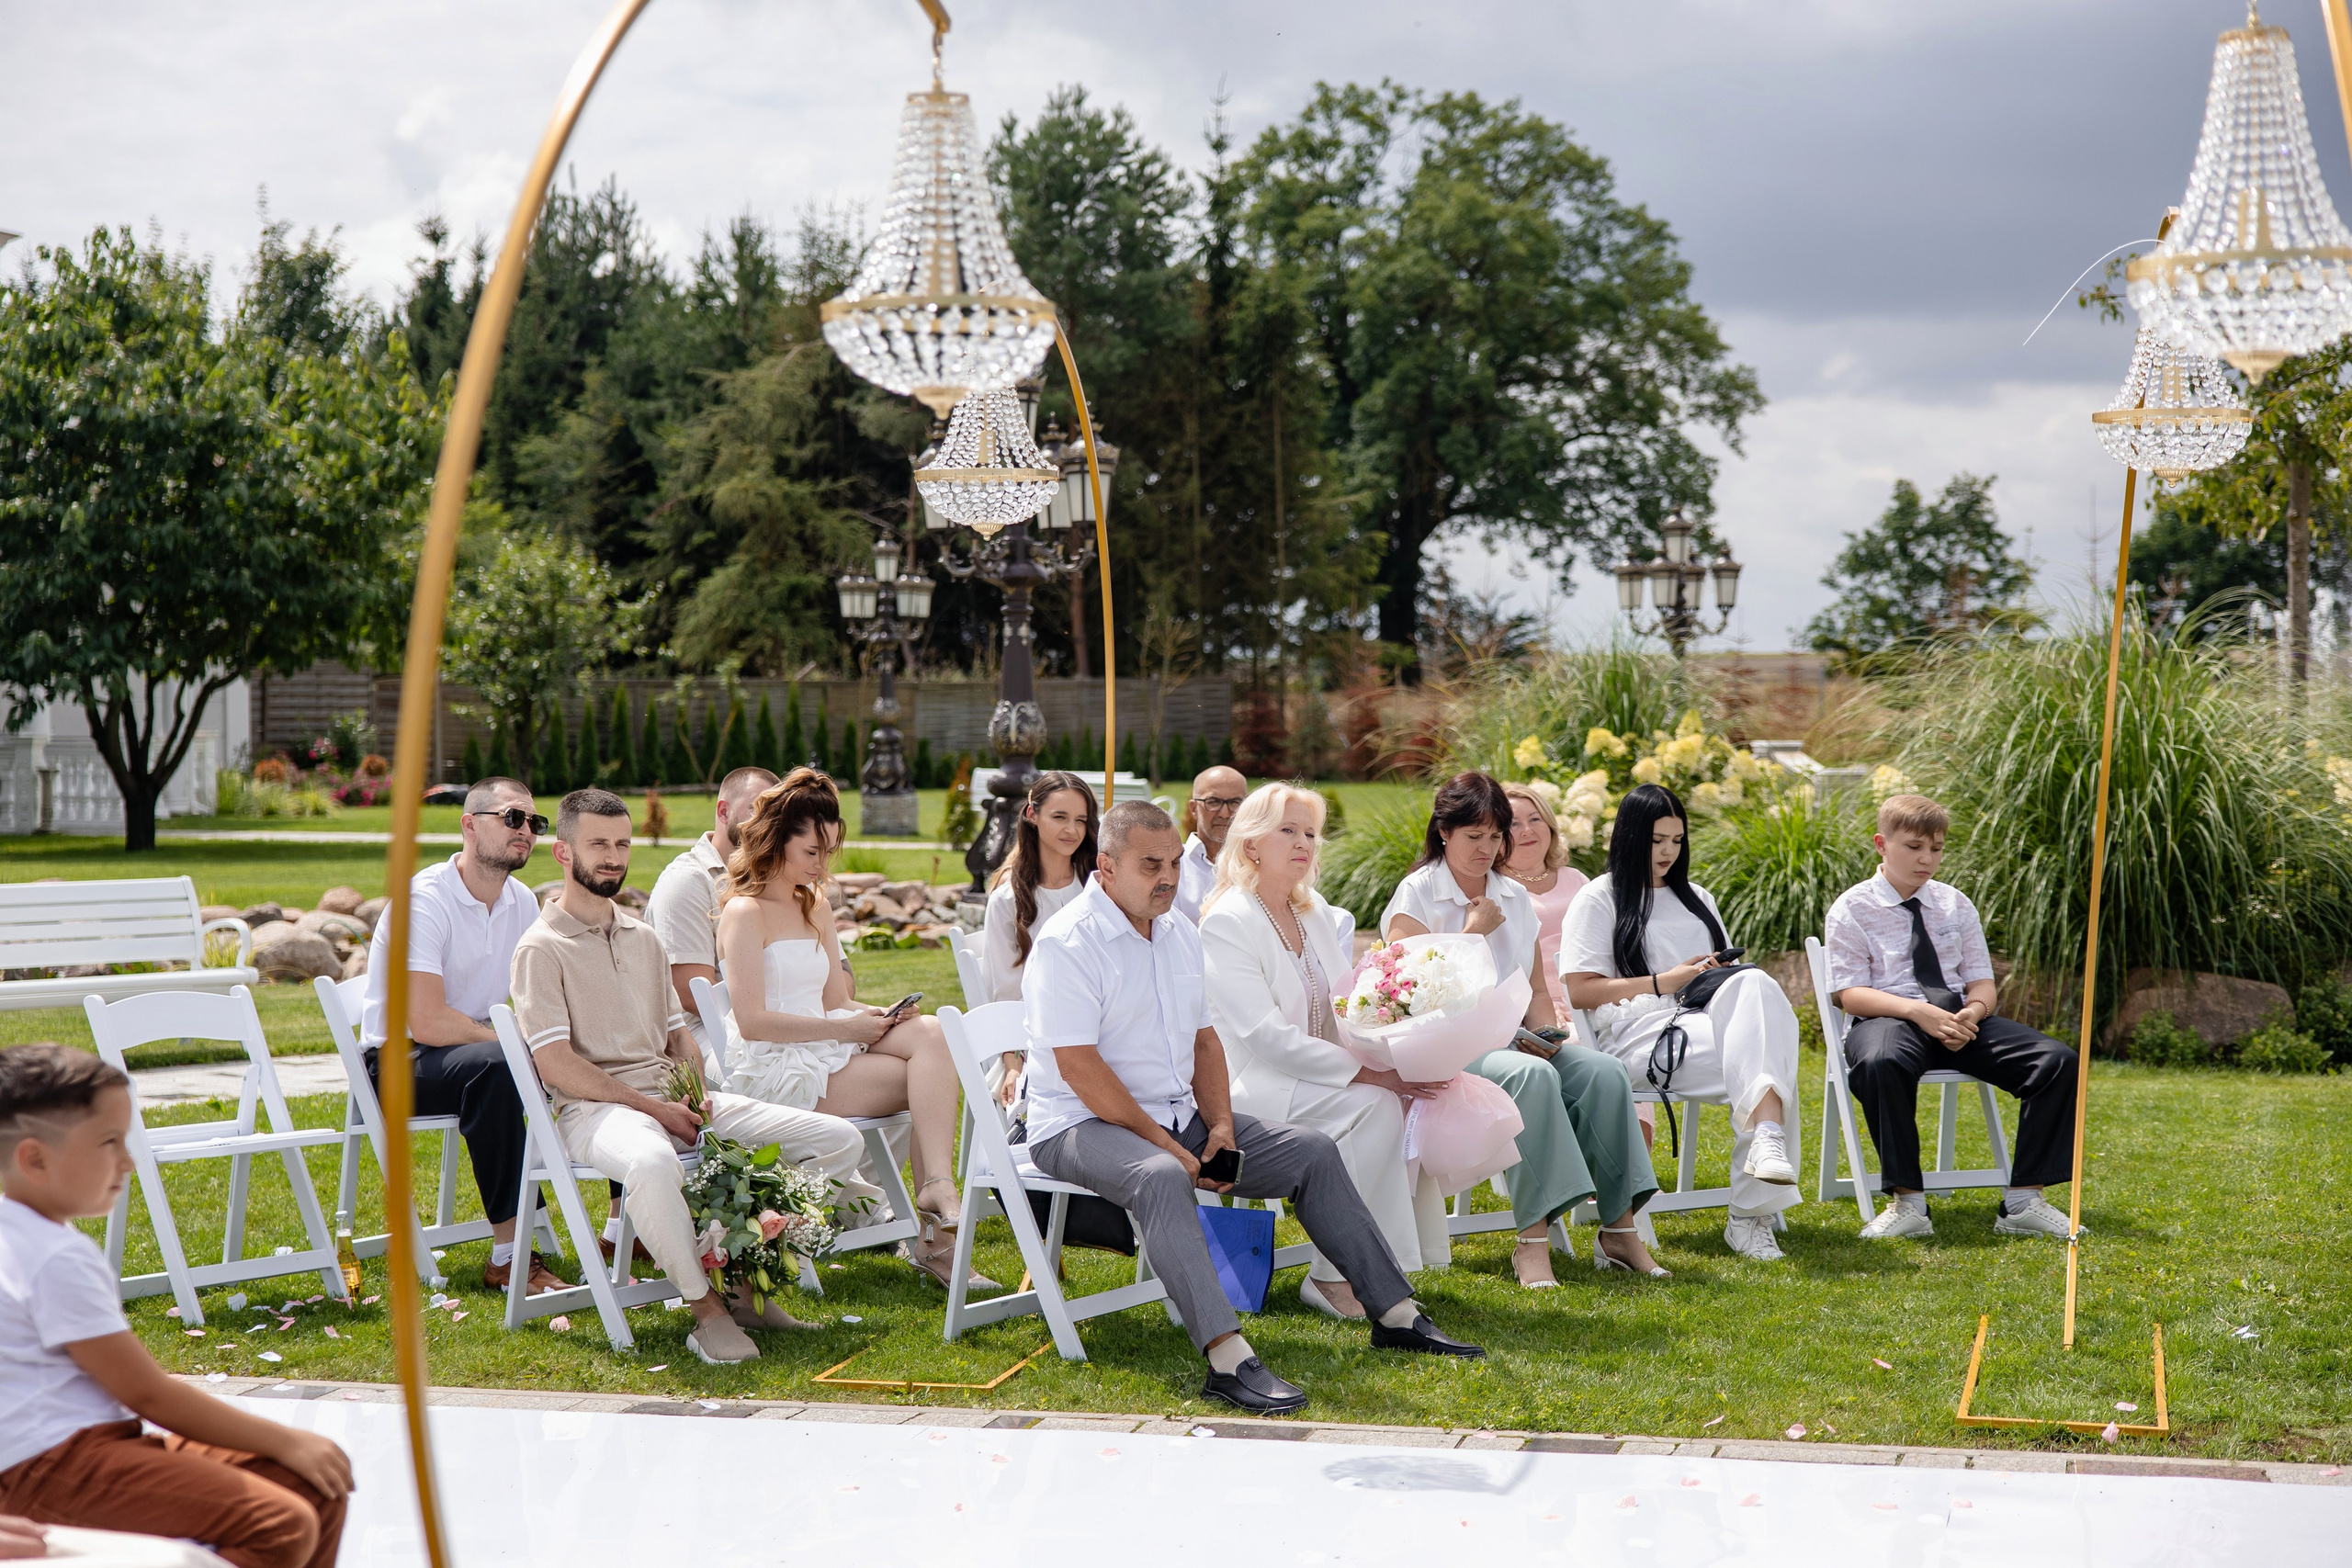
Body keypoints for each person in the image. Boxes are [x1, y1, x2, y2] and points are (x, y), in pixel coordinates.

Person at [1024, 801, 1485, 1413]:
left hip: (1176, 1117)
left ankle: (1395, 1313)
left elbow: (1204, 1040)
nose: (1166, 876)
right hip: (1077, 1123)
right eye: (1148, 864)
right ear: (1105, 866)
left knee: (1312, 1151)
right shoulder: (1068, 942)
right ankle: (1227, 1359)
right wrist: (1169, 1145)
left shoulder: (1176, 931)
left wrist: (1218, 1126)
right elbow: (1080, 1068)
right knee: (1163, 1175)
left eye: (1170, 863)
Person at [511, 788, 880, 1366]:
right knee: (654, 1164)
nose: (613, 856)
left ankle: (748, 1279)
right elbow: (556, 1066)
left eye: (622, 844)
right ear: (562, 852)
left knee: (838, 1140)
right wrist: (658, 1109)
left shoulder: (643, 939)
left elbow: (678, 1036)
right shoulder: (540, 948)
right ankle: (706, 1311)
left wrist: (696, 1093)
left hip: (671, 1097)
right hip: (592, 1112)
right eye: (598, 844)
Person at [0, 1044, 353, 1566]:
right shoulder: (53, 1256)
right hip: (48, 1468)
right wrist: (286, 1440)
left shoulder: (29, 1234)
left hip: (86, 1449)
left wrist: (290, 1453)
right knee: (279, 1522)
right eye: (109, 1142)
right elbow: (148, 1394)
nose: (129, 1161)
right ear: (35, 1158)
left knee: (313, 1486)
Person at [1386, 773, 1664, 1286]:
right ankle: (1532, 1241)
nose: (1487, 849)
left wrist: (1547, 1037)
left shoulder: (1513, 897)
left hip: (1511, 1040)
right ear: (1444, 831)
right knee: (1530, 1079)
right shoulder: (1416, 895)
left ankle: (1620, 1231)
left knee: (1604, 1072)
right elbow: (1415, 1002)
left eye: (1496, 837)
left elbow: (1537, 989)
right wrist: (1472, 935)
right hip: (1441, 1050)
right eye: (1474, 837)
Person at [716, 769, 986, 1290]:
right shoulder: (744, 913)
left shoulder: (812, 904)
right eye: (812, 851)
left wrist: (877, 1017)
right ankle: (938, 1242)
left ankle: (934, 1188)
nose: (822, 865)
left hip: (825, 1046)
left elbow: (836, 1000)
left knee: (931, 1033)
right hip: (780, 1071)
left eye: (829, 852)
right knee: (926, 1077)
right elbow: (752, 1023)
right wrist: (847, 1032)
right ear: (775, 840)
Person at [1199, 783, 1444, 1319]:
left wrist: (1399, 1043)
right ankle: (1339, 1276)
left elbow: (1345, 1005)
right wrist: (1366, 1075)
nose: (1303, 842)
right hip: (1252, 1084)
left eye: (1310, 832)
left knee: (1396, 1104)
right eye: (1286, 830)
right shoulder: (1228, 919)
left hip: (1312, 1076)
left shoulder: (1310, 913)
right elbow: (1263, 1036)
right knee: (1376, 1105)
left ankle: (1370, 1270)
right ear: (1250, 845)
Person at [1561, 782, 1803, 1263]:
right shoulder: (1598, 898)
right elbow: (1579, 990)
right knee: (1770, 1061)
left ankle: (1761, 1166)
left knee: (1754, 992)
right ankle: (1750, 1212)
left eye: (1677, 839)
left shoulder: (1698, 897)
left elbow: (1730, 984)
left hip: (1704, 1022)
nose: (1669, 851)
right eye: (1656, 841)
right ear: (1630, 837)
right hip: (1639, 1036)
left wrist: (1706, 975)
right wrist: (1662, 982)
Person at [1823, 793, 2079, 1240]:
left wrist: (1972, 1015)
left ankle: (2023, 1202)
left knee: (2057, 1060)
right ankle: (1909, 1205)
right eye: (1914, 847)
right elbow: (1849, 994)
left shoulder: (1954, 903)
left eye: (1936, 849)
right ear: (1881, 844)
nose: (1927, 859)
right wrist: (1918, 1012)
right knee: (1881, 1062)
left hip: (1959, 1018)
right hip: (1889, 1018)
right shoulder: (1852, 907)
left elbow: (1981, 983)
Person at [358, 775, 562, 1296]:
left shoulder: (521, 903)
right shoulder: (424, 901)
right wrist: (515, 1047)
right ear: (469, 825)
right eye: (513, 818)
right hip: (396, 1064)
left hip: (469, 1057)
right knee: (500, 1067)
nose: (526, 832)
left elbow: (540, 1001)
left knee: (599, 1055)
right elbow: (426, 1022)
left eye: (534, 823)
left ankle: (618, 1228)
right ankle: (510, 1259)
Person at [646, 764, 780, 1069]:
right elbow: (696, 997)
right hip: (708, 1041)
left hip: (785, 1023)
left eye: (777, 814)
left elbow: (841, 977)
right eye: (756, 809)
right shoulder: (686, 882)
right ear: (723, 812)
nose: (770, 823)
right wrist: (793, 991)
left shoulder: (786, 877)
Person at [1501, 783, 1591, 1026]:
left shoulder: (1577, 879)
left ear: (1550, 826)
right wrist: (1540, 1009)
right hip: (1536, 1006)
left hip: (1591, 994)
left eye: (1535, 819)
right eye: (1513, 824)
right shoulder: (1496, 889)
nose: (1527, 830)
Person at [1173, 763, 1247, 923]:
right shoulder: (1173, 865)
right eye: (1213, 802)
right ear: (1193, 809)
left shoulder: (1261, 864)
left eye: (1235, 803)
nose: (1225, 813)